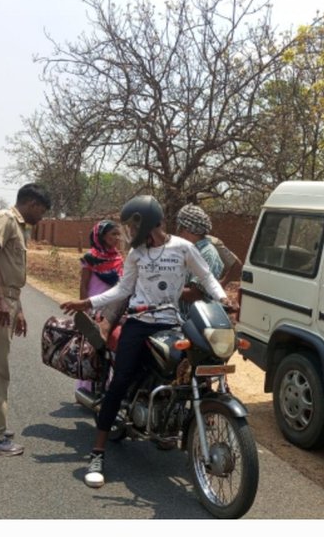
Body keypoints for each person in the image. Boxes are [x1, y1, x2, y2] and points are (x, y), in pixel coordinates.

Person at [61, 194, 229, 488]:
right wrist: (86, 303)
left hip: (172, 321)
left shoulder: (183, 247)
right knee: (121, 380)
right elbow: (121, 291)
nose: (127, 230)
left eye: (131, 224)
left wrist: (224, 299)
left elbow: (206, 277)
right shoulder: (136, 255)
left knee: (188, 373)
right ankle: (97, 453)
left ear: (146, 221)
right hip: (139, 323)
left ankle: (172, 425)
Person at [0, 183, 52, 456]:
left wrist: (19, 310)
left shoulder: (18, 227)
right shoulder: (5, 219)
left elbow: (10, 272)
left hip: (7, 300)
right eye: (41, 211)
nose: (41, 217)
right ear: (31, 203)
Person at [76, 219, 124, 390]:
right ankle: (86, 388)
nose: (117, 237)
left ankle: (106, 387)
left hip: (112, 309)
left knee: (111, 348)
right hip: (94, 306)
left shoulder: (118, 257)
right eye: (113, 234)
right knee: (93, 349)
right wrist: (85, 308)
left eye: (118, 234)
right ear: (102, 236)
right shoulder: (90, 257)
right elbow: (84, 284)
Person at [177, 203, 241, 288]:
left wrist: (222, 283)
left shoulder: (212, 244)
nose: (178, 232)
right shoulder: (185, 245)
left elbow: (237, 265)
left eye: (181, 228)